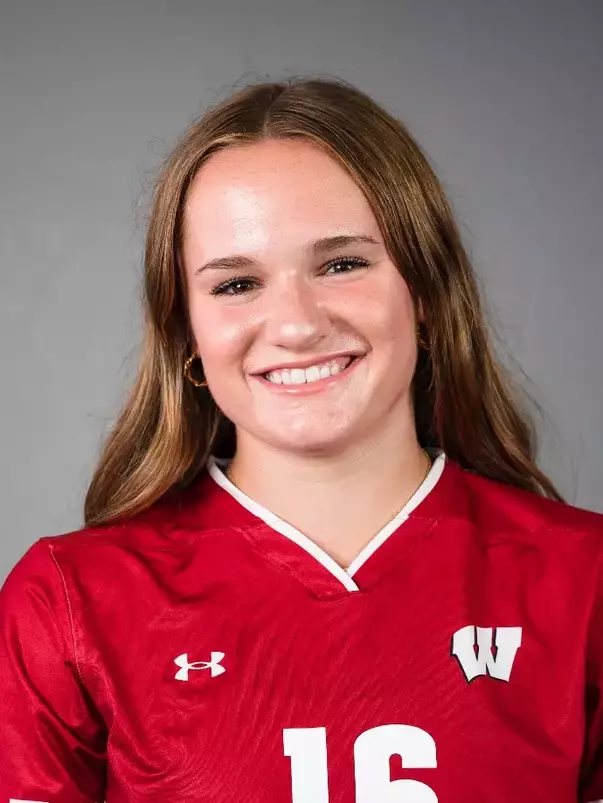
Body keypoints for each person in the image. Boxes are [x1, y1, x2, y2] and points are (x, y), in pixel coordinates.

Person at [1, 76, 602, 803]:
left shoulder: (583, 580)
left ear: (428, 294)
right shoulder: (68, 601)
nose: (294, 323)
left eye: (341, 264)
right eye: (235, 284)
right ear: (184, 332)